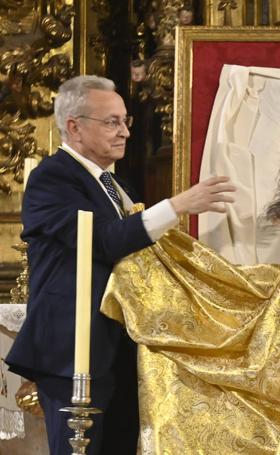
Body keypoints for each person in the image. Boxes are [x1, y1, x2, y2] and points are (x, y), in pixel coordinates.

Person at [5, 75, 236, 455]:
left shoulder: (116, 184)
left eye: (125, 121)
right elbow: (101, 240)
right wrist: (178, 206)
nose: (125, 132)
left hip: (121, 346)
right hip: (74, 350)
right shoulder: (53, 178)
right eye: (111, 122)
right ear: (74, 127)